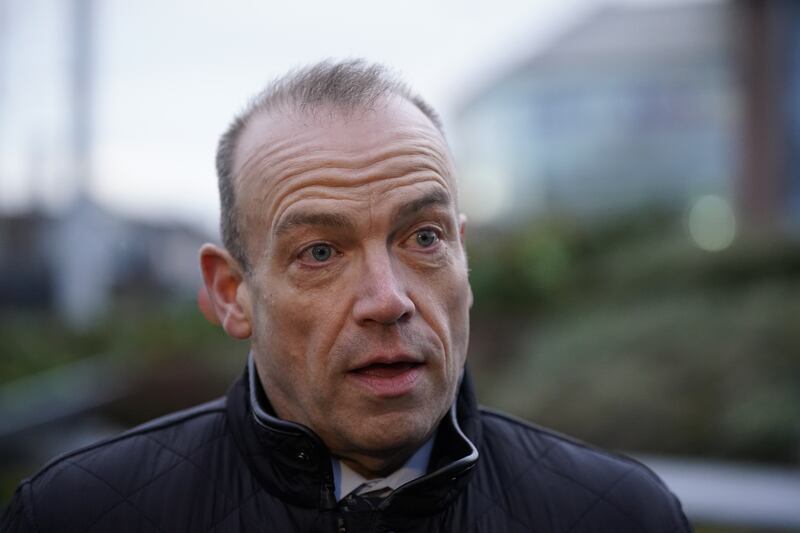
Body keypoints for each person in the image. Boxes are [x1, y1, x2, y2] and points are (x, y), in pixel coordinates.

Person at [1, 60, 692, 532]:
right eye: (320, 252)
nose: (387, 300)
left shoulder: (622, 515)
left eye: (423, 238)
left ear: (464, 254)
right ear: (231, 293)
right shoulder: (78, 513)